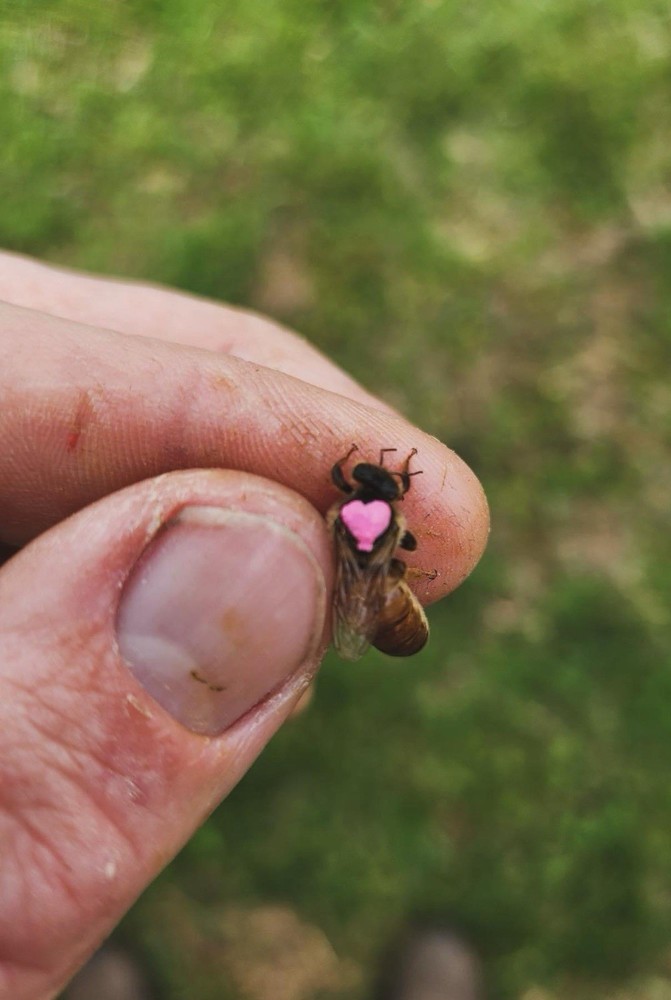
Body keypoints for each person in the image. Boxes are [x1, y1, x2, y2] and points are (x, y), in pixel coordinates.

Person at [0, 251, 489, 1000]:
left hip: (383, 597)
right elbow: (383, 535)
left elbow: (360, 519)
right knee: (391, 565)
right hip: (385, 597)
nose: (373, 483)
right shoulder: (377, 524)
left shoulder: (355, 516)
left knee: (383, 568)